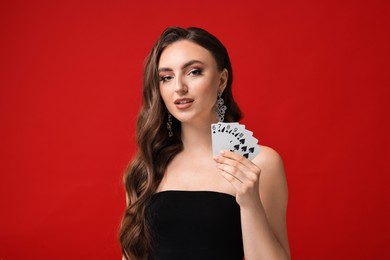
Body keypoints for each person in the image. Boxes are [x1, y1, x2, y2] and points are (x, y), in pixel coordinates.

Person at [119, 26, 290, 260]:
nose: (179, 87)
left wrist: (250, 204)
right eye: (166, 78)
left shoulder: (260, 162)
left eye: (194, 72)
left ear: (221, 80)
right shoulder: (148, 166)